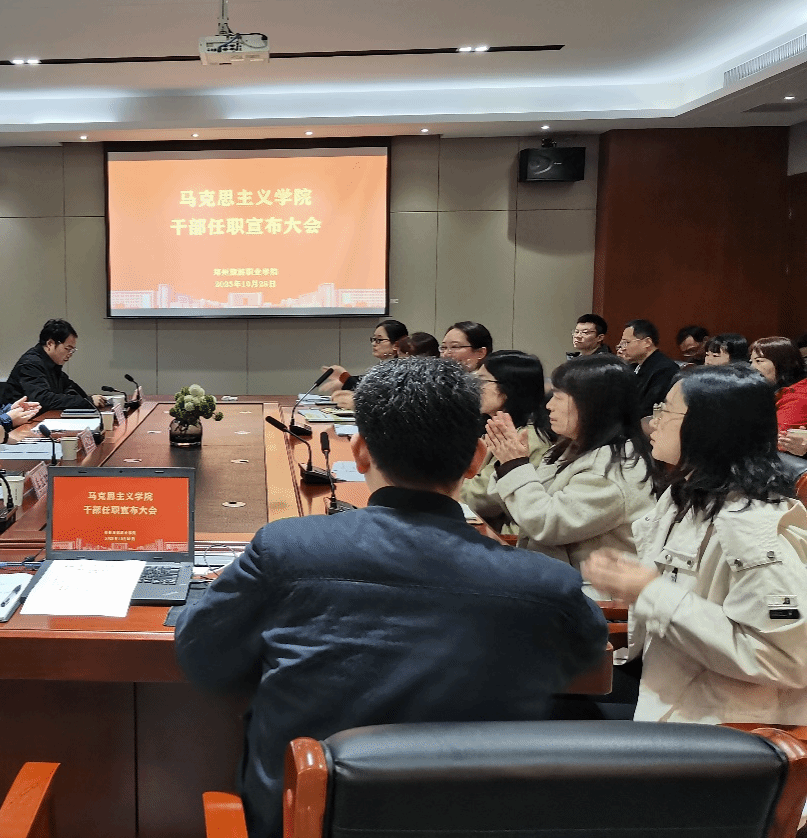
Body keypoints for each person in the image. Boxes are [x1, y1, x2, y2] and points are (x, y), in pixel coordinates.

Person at [174, 357, 608, 838]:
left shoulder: (286, 550)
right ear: (476, 459)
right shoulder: (546, 586)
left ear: (360, 452)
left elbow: (201, 654)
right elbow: (590, 658)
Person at [584, 365, 807, 723]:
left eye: (666, 411)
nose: (653, 423)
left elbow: (786, 659)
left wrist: (650, 591)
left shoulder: (753, 528)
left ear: (709, 427)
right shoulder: (683, 497)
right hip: (671, 696)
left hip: (727, 726)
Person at [485, 354, 657, 568]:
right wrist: (508, 464)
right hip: (552, 573)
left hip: (592, 586)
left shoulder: (613, 470)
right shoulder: (570, 447)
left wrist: (515, 465)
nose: (549, 406)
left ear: (592, 403)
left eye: (558, 397)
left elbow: (547, 525)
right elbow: (522, 511)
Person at [462, 350, 555, 531]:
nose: (474, 388)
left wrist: (443, 484)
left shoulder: (528, 437)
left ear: (509, 389)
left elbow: (479, 498)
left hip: (506, 537)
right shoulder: (493, 426)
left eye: (482, 381)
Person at [7, 318, 105, 412]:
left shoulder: (51, 364)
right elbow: (42, 400)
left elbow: (69, 387)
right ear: (50, 343)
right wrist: (87, 401)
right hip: (20, 421)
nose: (70, 354)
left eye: (73, 350)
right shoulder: (30, 364)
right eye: (68, 349)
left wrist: (88, 399)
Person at [320, 317, 408, 394]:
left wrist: (345, 377)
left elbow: (371, 394)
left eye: (379, 340)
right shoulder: (384, 367)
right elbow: (365, 382)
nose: (373, 344)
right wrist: (344, 381)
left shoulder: (402, 371)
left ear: (396, 345)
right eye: (374, 339)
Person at [619, 319, 679, 419]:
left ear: (647, 342)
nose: (623, 348)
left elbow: (648, 408)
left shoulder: (665, 369)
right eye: (622, 344)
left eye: (627, 342)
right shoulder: (633, 366)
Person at [750, 336, 807, 435]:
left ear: (783, 363)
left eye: (759, 361)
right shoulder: (771, 390)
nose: (752, 367)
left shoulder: (798, 397)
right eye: (751, 362)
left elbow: (776, 437)